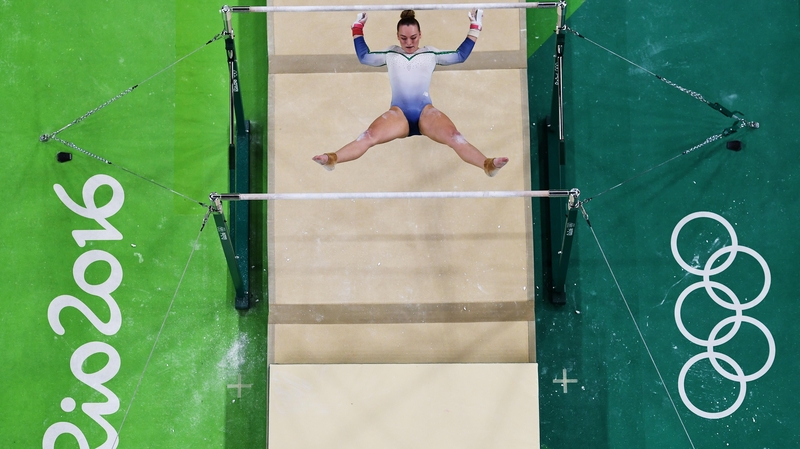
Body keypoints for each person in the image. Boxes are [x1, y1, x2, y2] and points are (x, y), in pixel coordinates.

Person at [312, 9, 509, 177]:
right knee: (368, 136)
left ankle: (487, 165)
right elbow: (364, 57)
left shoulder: (430, 54)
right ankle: (332, 158)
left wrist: (475, 27)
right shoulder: (390, 54)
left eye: (413, 37)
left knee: (455, 137)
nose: (409, 42)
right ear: (397, 36)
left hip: (426, 113)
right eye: (404, 38)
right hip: (398, 115)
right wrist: (357, 28)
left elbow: (460, 55)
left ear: (420, 34)